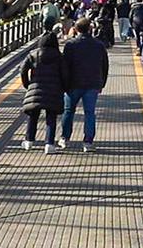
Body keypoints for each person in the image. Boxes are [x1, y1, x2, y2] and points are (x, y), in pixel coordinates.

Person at [60, 18, 109, 152]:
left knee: (68, 111)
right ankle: (88, 142)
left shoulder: (70, 45)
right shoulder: (99, 45)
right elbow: (104, 66)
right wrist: (101, 83)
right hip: (92, 83)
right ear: (90, 29)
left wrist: (64, 84)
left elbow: (65, 66)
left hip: (73, 83)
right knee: (89, 113)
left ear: (75, 29)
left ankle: (65, 138)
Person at [20, 31, 66, 154]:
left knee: (33, 115)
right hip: (54, 90)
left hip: (36, 88)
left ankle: (29, 141)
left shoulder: (33, 55)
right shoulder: (59, 56)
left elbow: (23, 70)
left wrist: (28, 85)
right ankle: (49, 144)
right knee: (51, 118)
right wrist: (64, 87)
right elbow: (65, 74)